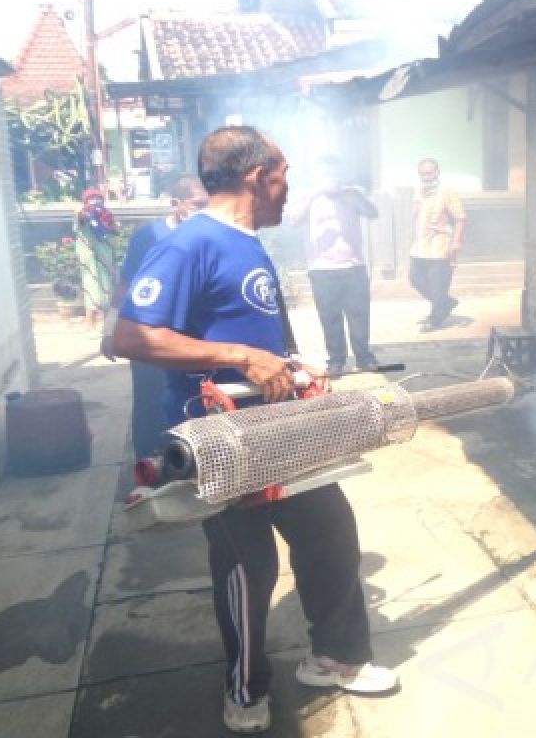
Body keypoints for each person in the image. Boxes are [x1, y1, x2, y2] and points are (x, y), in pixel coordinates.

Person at [112, 127, 397, 735]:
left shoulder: (250, 242)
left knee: (330, 529)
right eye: (284, 177)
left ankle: (337, 657)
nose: (290, 192)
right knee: (250, 564)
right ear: (257, 175)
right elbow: (129, 337)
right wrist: (242, 357)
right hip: (220, 435)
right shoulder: (191, 244)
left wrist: (291, 365)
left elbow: (256, 329)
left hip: (278, 425)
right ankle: (244, 688)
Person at [100, 174, 207, 459]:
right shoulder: (148, 236)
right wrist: (110, 328)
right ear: (176, 204)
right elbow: (126, 284)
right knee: (150, 402)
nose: (204, 210)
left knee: (192, 403)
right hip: (148, 335)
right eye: (198, 204)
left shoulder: (208, 235)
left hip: (191, 338)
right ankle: (149, 468)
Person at [285, 156, 379, 377]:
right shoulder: (307, 195)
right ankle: (336, 360)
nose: (331, 178)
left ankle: (364, 357)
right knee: (330, 317)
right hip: (321, 268)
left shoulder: (352, 194)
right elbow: (293, 221)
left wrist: (356, 194)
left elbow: (373, 213)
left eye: (334, 173)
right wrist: (315, 193)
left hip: (353, 266)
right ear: (317, 176)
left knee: (359, 315)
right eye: (325, 173)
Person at [409, 158, 466, 332]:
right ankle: (446, 303)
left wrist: (456, 242)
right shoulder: (419, 192)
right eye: (423, 174)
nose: (426, 177)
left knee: (437, 285)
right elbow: (416, 215)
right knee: (415, 279)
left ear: (437, 172)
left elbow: (461, 218)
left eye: (430, 173)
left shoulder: (447, 192)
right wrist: (420, 199)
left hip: (439, 247)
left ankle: (435, 319)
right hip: (419, 247)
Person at [74, 187, 119, 330]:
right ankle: (90, 323)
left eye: (98, 198)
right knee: (91, 288)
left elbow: (114, 234)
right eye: (91, 199)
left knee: (107, 289)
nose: (95, 202)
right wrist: (85, 212)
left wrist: (110, 226)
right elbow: (79, 221)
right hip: (90, 261)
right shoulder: (83, 215)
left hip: (105, 260)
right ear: (85, 201)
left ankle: (107, 323)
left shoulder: (107, 216)